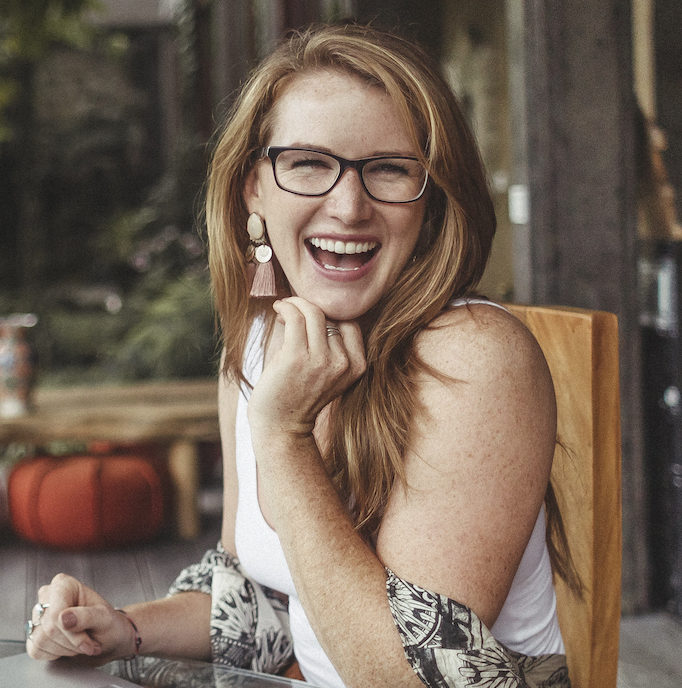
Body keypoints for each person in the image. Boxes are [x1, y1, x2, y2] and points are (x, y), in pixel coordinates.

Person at [26, 23, 573, 687]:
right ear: (255, 187)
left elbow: (409, 678)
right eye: (309, 163)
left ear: (430, 202)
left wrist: (284, 439)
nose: (348, 207)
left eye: (390, 169)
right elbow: (269, 598)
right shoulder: (259, 344)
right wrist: (123, 627)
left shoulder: (473, 359)